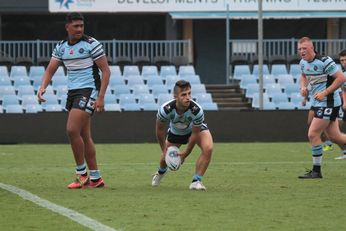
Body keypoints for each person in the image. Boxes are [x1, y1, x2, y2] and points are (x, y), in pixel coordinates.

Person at [37, 12, 110, 188]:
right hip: (73, 93)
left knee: (71, 130)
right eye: (75, 26)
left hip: (89, 91)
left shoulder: (91, 44)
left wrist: (100, 97)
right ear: (67, 27)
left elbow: (106, 71)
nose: (79, 29)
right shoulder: (61, 47)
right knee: (84, 135)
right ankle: (96, 178)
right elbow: (50, 70)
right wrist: (42, 87)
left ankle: (81, 175)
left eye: (81, 26)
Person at [298, 37, 346, 179]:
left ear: (312, 48)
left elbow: (341, 78)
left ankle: (316, 171)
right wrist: (303, 87)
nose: (302, 51)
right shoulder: (302, 63)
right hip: (319, 102)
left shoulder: (324, 61)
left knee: (313, 134)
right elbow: (303, 75)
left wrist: (325, 92)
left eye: (304, 48)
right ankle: (316, 171)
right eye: (300, 49)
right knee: (334, 136)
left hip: (329, 102)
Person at [151, 80, 213, 190]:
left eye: (189, 93)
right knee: (164, 159)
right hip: (176, 132)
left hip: (194, 129)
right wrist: (164, 150)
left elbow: (194, 134)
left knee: (208, 148)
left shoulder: (197, 110)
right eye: (183, 94)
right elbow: (159, 130)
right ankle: (160, 173)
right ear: (175, 96)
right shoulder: (165, 110)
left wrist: (186, 153)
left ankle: (196, 181)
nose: (188, 97)